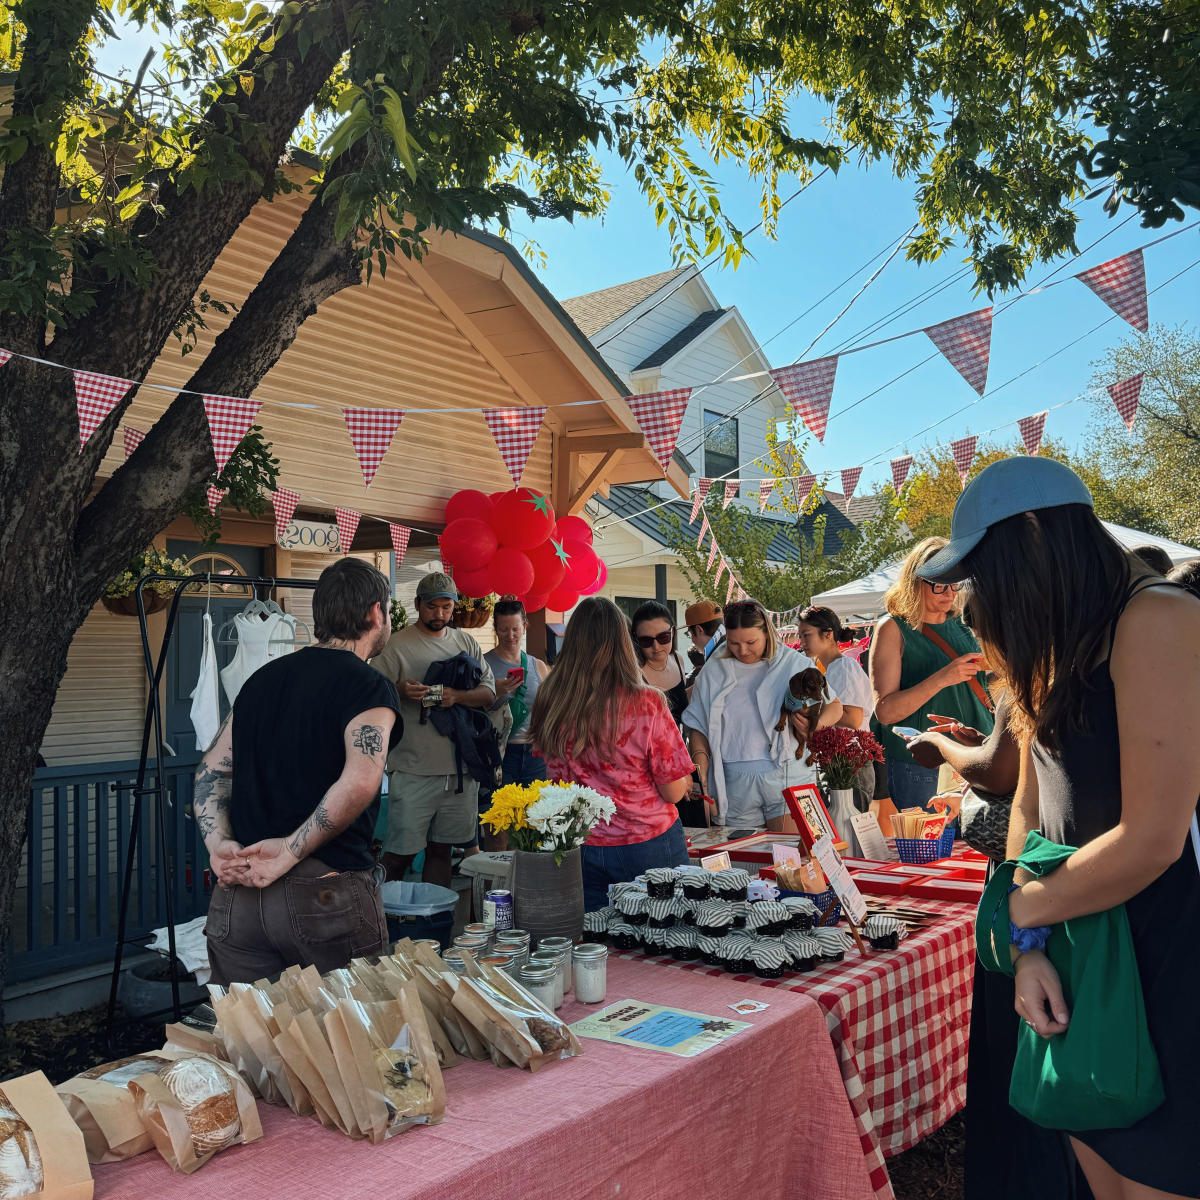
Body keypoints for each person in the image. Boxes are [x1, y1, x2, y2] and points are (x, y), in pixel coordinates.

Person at [919, 455, 1200, 1200]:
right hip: (1077, 947)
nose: (978, 593)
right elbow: (1028, 808)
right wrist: (1027, 948)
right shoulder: (1062, 645)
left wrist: (1012, 913)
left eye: (984, 568)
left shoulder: (1160, 618)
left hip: (1167, 955)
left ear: (1037, 535)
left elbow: (1153, 839)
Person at [196, 558, 402, 985]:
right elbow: (362, 779)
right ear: (376, 612)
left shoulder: (263, 680)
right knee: (351, 1037)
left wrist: (219, 846)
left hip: (239, 895)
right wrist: (288, 852)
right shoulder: (368, 685)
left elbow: (211, 770)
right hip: (323, 894)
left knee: (252, 1044)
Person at [530, 597, 695, 911]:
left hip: (576, 842)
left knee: (592, 942)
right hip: (647, 840)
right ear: (624, 642)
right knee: (661, 939)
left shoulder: (550, 697)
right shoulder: (647, 701)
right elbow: (673, 791)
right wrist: (686, 780)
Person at [370, 572, 496, 885]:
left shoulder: (465, 641)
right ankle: (377, 921)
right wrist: (399, 690)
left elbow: (490, 693)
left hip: (459, 772)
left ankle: (434, 925)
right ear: (417, 605)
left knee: (442, 850)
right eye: (432, 607)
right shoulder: (396, 645)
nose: (439, 614)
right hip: (413, 769)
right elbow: (369, 696)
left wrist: (457, 696)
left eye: (446, 607)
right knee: (400, 854)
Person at [683, 600, 843, 831]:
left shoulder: (794, 662)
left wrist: (815, 726)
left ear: (767, 632)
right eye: (733, 643)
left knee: (792, 858)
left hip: (788, 774)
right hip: (734, 783)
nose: (743, 650)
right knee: (744, 861)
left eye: (751, 642)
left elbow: (835, 706)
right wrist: (702, 774)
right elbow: (697, 725)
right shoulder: (713, 669)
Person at [869, 536, 994, 811]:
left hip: (974, 757)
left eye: (955, 583)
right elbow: (886, 712)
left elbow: (980, 689)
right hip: (920, 763)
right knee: (930, 849)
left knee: (975, 848)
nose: (949, 592)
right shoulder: (892, 628)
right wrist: (944, 677)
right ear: (915, 581)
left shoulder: (962, 625)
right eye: (939, 585)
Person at [482, 599, 550, 851]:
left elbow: (550, 708)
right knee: (498, 829)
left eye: (515, 628)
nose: (510, 635)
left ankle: (526, 887)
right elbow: (475, 711)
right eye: (503, 629)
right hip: (500, 755)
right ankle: (494, 889)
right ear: (495, 628)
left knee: (532, 829)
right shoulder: (484, 664)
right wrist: (495, 691)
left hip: (534, 754)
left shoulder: (538, 666)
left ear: (525, 627)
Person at [797, 605, 876, 811]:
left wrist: (812, 711)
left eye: (807, 635)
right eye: (801, 636)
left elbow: (852, 718)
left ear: (828, 635)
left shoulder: (844, 666)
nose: (802, 643)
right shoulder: (830, 668)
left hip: (849, 762)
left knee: (847, 829)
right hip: (838, 760)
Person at [683, 598, 724, 682]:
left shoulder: (717, 658)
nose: (692, 641)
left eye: (690, 634)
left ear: (699, 630)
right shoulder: (728, 646)